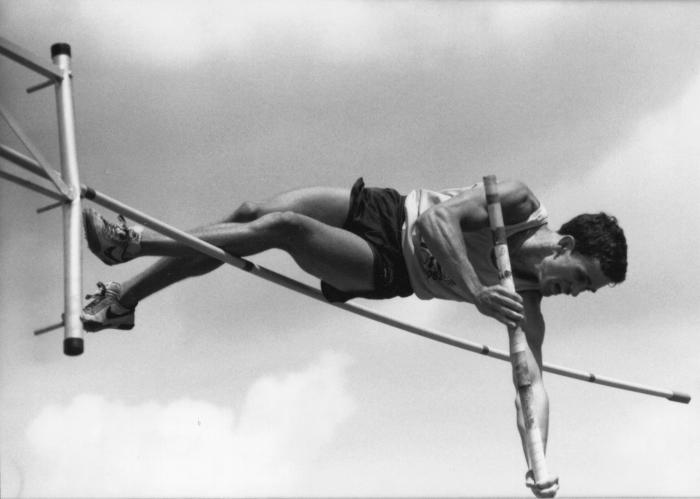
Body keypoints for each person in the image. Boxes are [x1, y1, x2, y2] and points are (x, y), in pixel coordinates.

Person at [80, 177, 627, 498]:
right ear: (566, 243)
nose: (575, 293)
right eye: (581, 278)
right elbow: (438, 221)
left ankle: (130, 243)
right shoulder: (518, 203)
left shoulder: (526, 307)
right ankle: (124, 302)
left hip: (387, 266)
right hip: (391, 210)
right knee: (251, 215)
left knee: (281, 231)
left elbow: (531, 384)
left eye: (588, 292)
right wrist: (475, 291)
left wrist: (539, 460)